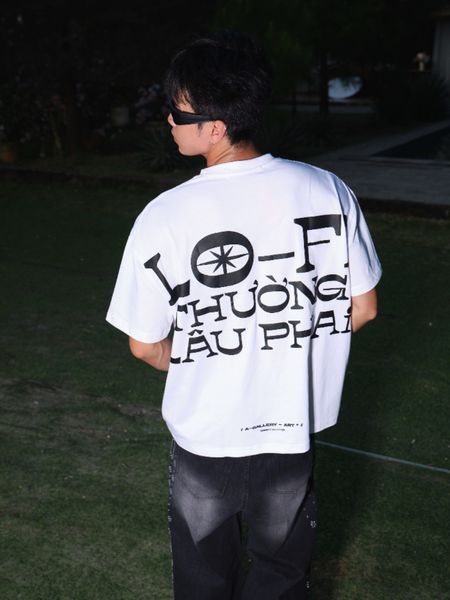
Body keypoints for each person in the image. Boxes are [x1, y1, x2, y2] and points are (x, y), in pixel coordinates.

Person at [106, 31, 381, 600]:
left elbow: (144, 344)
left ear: (214, 127)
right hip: (290, 428)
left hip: (207, 437)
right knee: (283, 577)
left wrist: (209, 356)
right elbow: (363, 307)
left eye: (177, 111)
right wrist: (283, 347)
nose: (169, 121)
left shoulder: (165, 215)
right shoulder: (327, 190)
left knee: (204, 579)